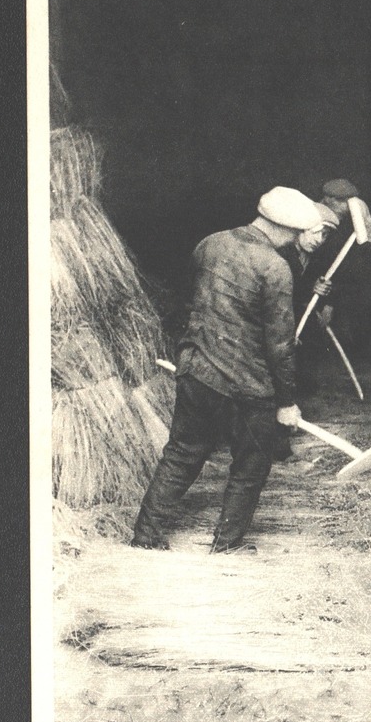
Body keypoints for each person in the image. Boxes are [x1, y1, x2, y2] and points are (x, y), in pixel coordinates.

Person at [130, 186, 321, 554]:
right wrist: (286, 402)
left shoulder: (210, 244)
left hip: (196, 370)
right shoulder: (275, 267)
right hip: (247, 386)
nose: (298, 239)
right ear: (287, 229)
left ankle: (145, 536)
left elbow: (194, 299)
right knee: (250, 466)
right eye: (298, 233)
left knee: (182, 453)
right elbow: (280, 345)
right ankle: (226, 546)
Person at [272, 201, 341, 462]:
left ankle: (280, 438)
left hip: (293, 327)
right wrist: (308, 291)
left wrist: (320, 293)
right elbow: (280, 295)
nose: (319, 239)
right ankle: (276, 446)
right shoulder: (281, 254)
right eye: (315, 232)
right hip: (276, 326)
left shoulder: (314, 256)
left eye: (325, 234)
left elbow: (308, 289)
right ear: (300, 228)